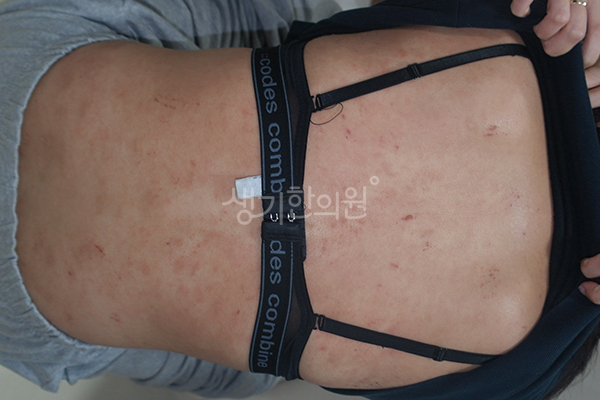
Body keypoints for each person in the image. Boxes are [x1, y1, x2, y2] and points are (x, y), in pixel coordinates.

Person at [1, 1, 600, 400]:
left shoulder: (531, 33)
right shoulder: (524, 361)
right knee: (250, 368)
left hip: (40, 73)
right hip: (36, 312)